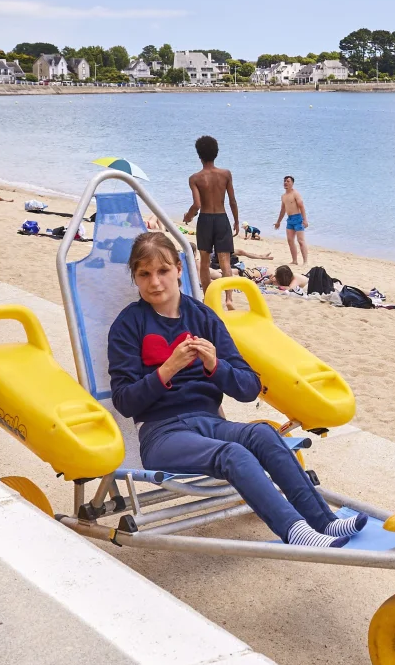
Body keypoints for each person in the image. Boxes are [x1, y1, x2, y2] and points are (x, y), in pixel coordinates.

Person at [108, 232, 367, 548]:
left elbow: (248, 387)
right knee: (233, 454)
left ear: (178, 269)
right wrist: (167, 370)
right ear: (135, 277)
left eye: (162, 271)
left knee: (263, 434)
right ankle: (296, 532)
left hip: (210, 423)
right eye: (144, 274)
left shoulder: (202, 317)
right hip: (161, 434)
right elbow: (124, 401)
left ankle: (326, 523)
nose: (155, 282)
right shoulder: (128, 325)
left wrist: (215, 366)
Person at [181, 136, 240, 290]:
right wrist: (237, 221)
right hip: (221, 218)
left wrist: (188, 216)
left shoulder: (195, 178)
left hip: (205, 220)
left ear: (199, 155)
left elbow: (197, 205)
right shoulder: (226, 174)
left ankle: (208, 298)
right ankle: (228, 298)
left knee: (205, 263)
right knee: (225, 262)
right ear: (216, 153)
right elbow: (232, 201)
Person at [275, 175, 308, 265]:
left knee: (300, 240)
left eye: (288, 181)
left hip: (298, 218)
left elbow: (301, 206)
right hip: (289, 219)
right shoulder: (283, 196)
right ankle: (294, 260)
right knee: (290, 240)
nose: (286, 183)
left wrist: (305, 220)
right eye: (285, 181)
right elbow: (283, 210)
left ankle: (305, 261)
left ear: (292, 183)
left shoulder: (295, 194)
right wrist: (278, 222)